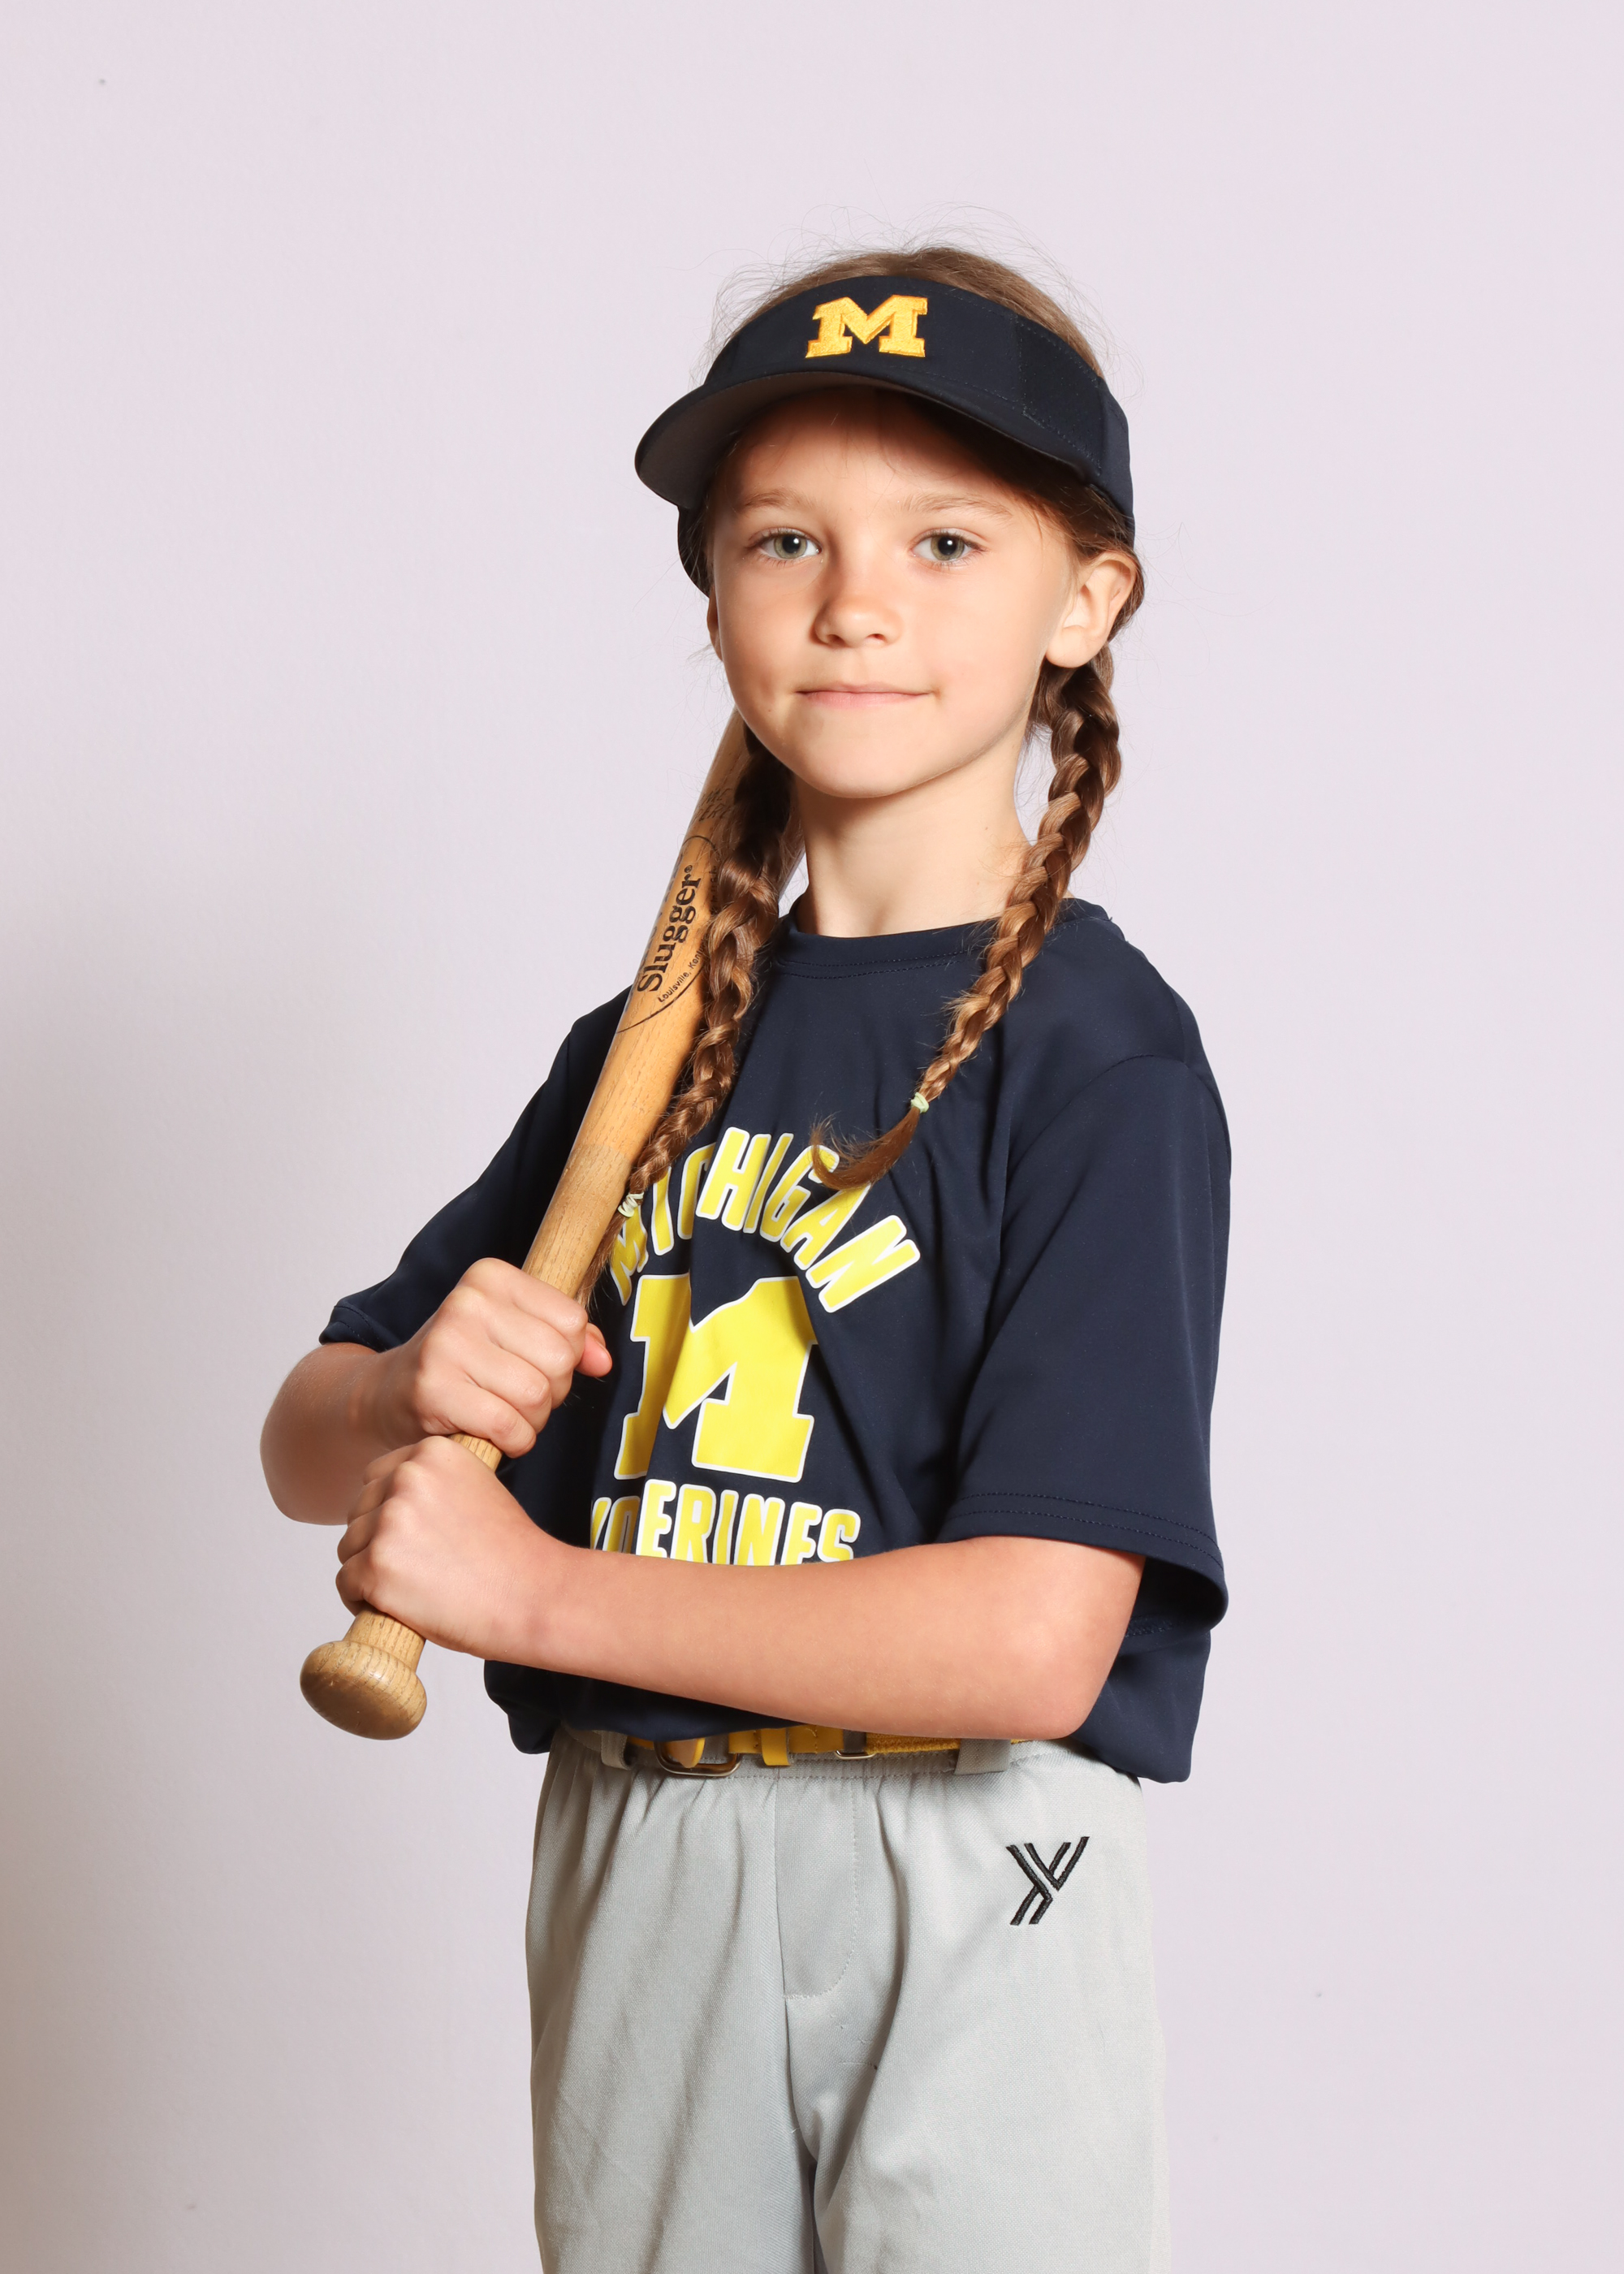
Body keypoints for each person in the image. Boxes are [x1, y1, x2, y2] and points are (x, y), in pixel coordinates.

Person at [261, 244, 1229, 2273]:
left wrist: (532, 1588)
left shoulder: (1098, 1057)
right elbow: (304, 1440)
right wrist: (406, 1387)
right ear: (714, 594)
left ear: (1084, 600)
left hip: (971, 1854)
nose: (856, 600)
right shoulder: (649, 1045)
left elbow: (1032, 1638)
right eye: (787, 537)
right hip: (649, 1839)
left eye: (945, 540)